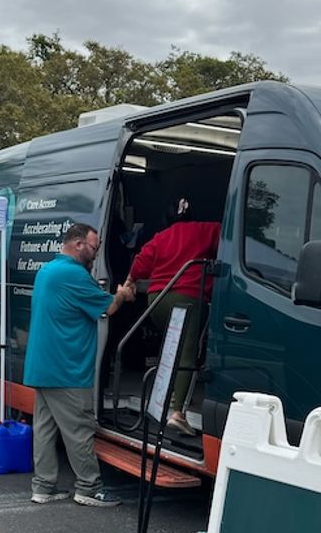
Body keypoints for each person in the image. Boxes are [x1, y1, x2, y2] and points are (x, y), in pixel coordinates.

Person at [24, 222, 134, 506]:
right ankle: (89, 488)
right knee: (79, 430)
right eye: (94, 247)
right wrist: (122, 293)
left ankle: (43, 486)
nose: (96, 253)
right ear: (78, 244)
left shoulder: (47, 270)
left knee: (45, 429)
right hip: (67, 369)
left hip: (42, 365)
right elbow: (108, 308)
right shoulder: (74, 275)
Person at [124, 198, 220, 437]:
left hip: (157, 300)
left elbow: (140, 264)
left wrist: (129, 281)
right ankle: (178, 413)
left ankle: (168, 394)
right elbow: (228, 240)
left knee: (171, 347)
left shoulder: (160, 237)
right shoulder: (205, 229)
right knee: (189, 352)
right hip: (188, 297)